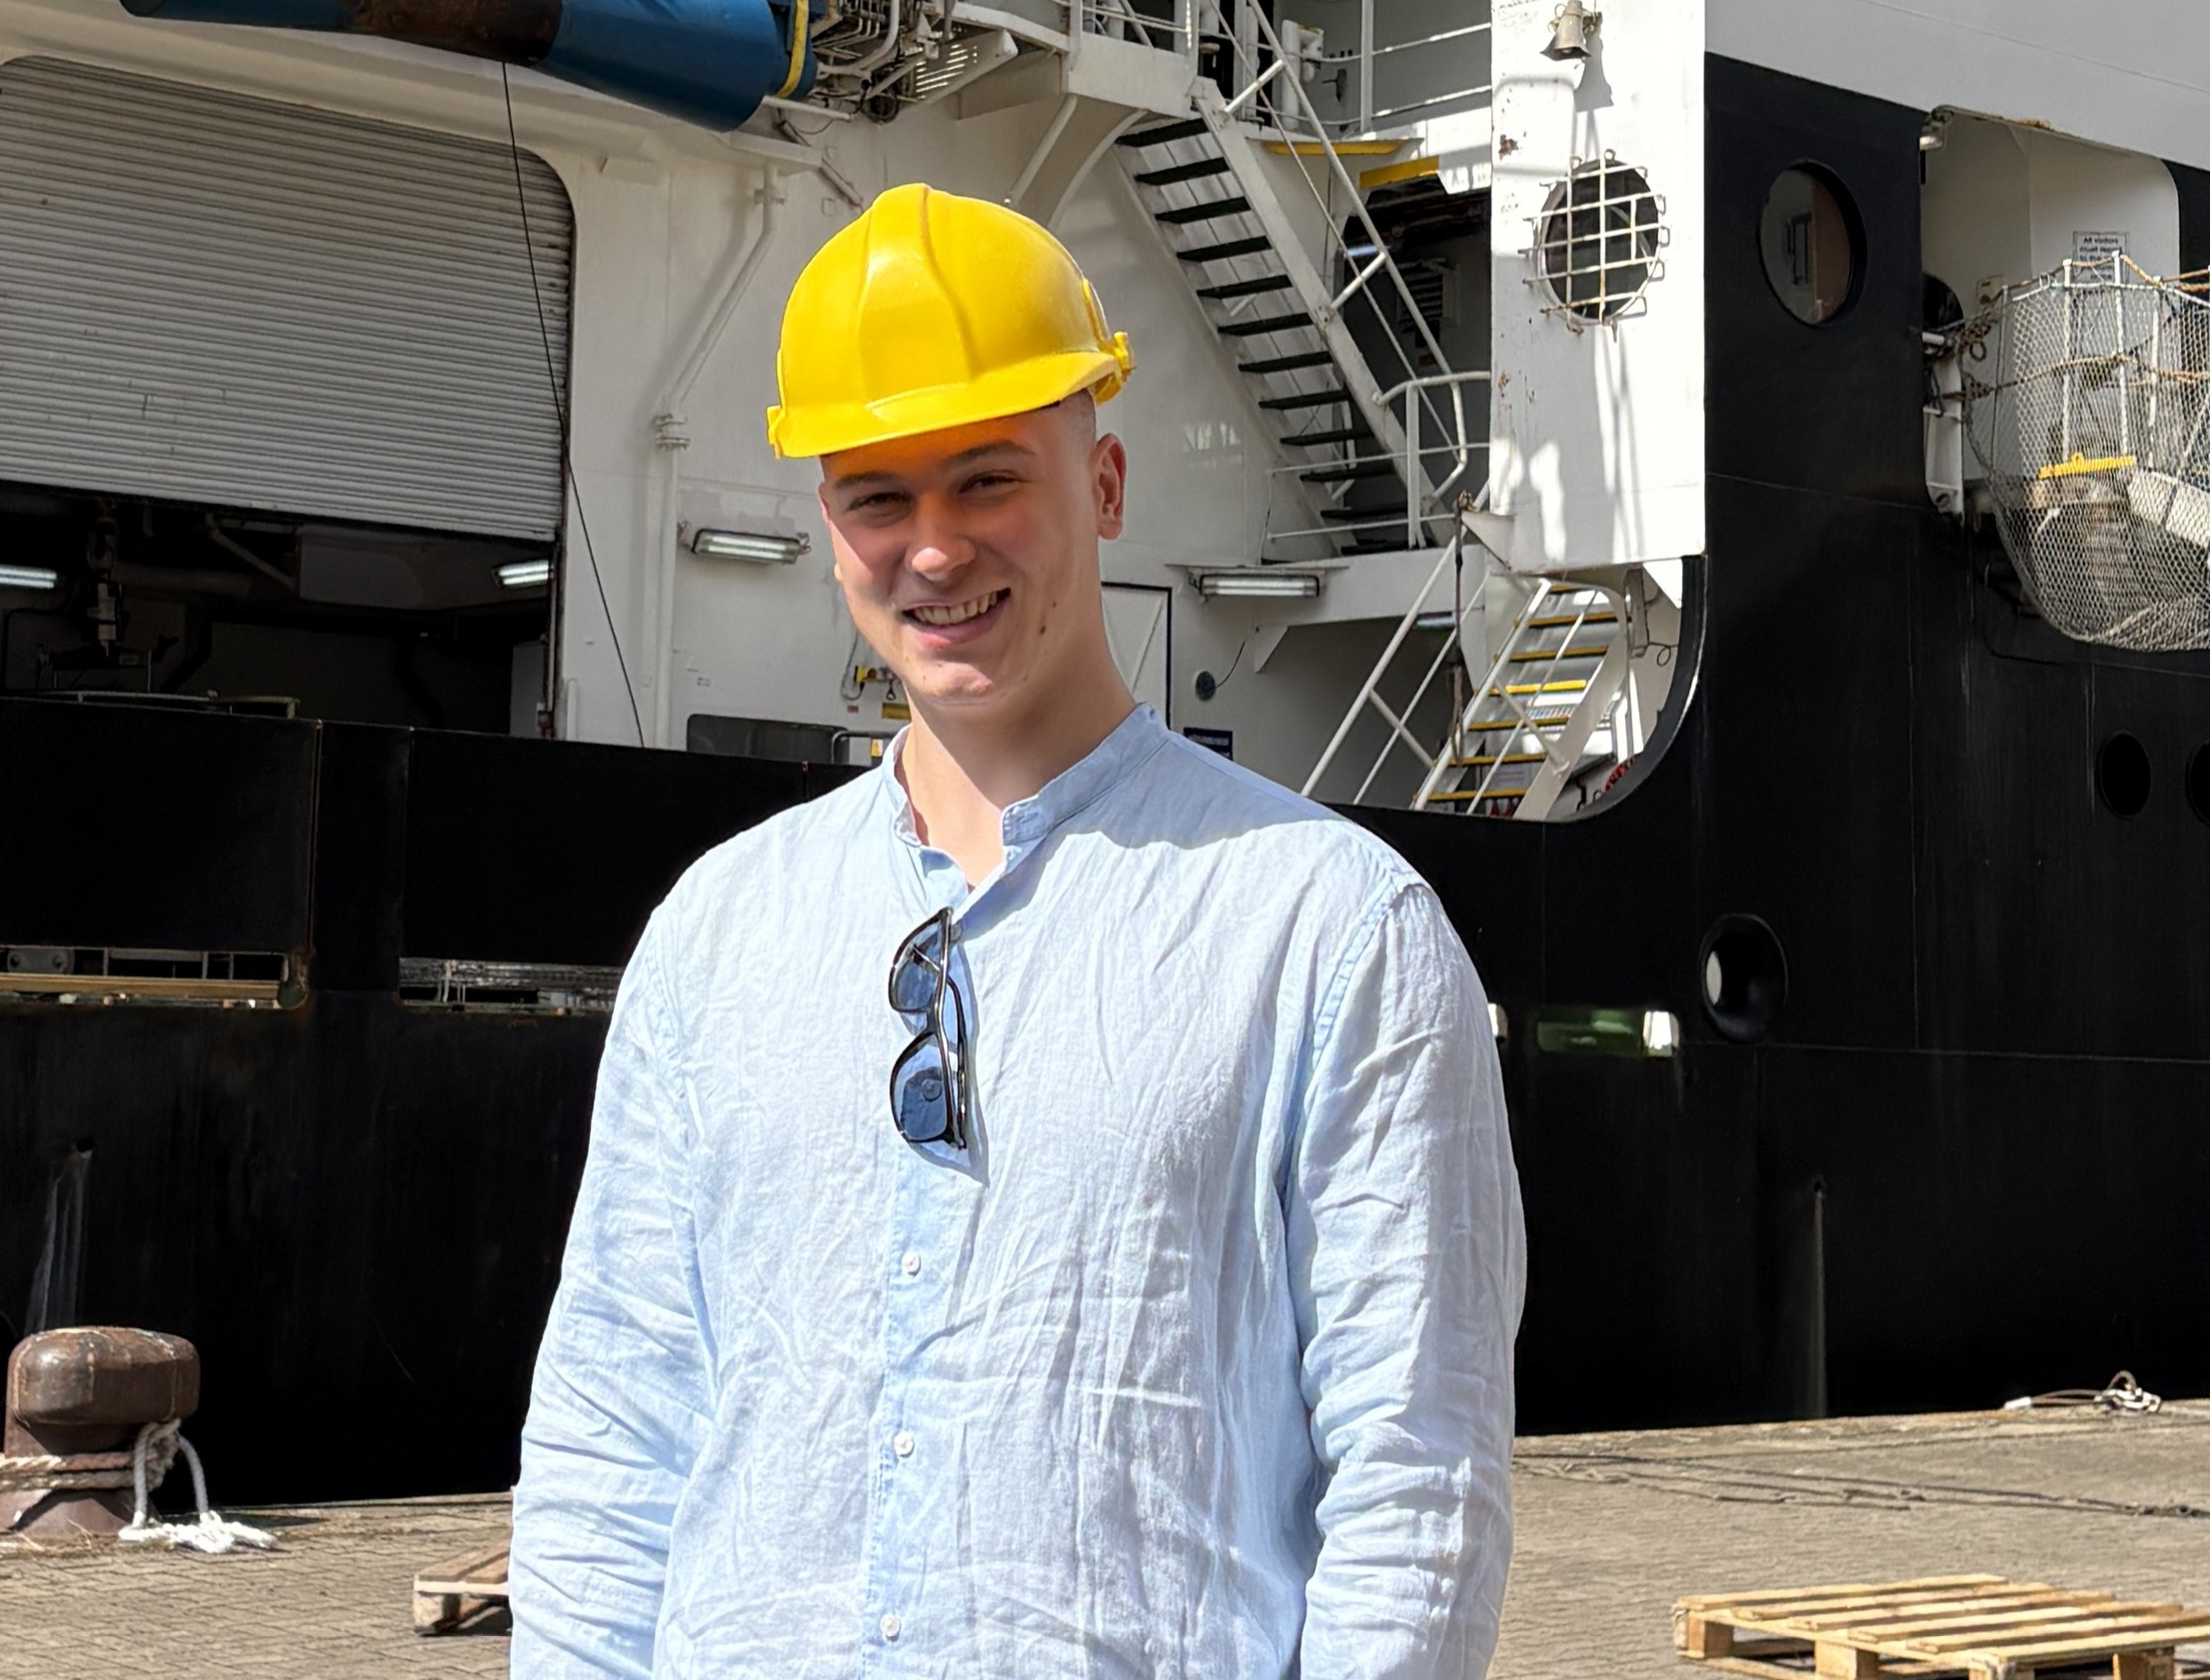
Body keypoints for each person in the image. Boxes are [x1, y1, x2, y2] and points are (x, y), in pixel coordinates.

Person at [513, 181, 1524, 1677]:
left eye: (989, 481)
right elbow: (615, 1423)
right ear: (829, 523)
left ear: (1105, 487)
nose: (932, 549)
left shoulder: (1329, 930)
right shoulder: (719, 930)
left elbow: (1416, 1470)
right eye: (879, 496)